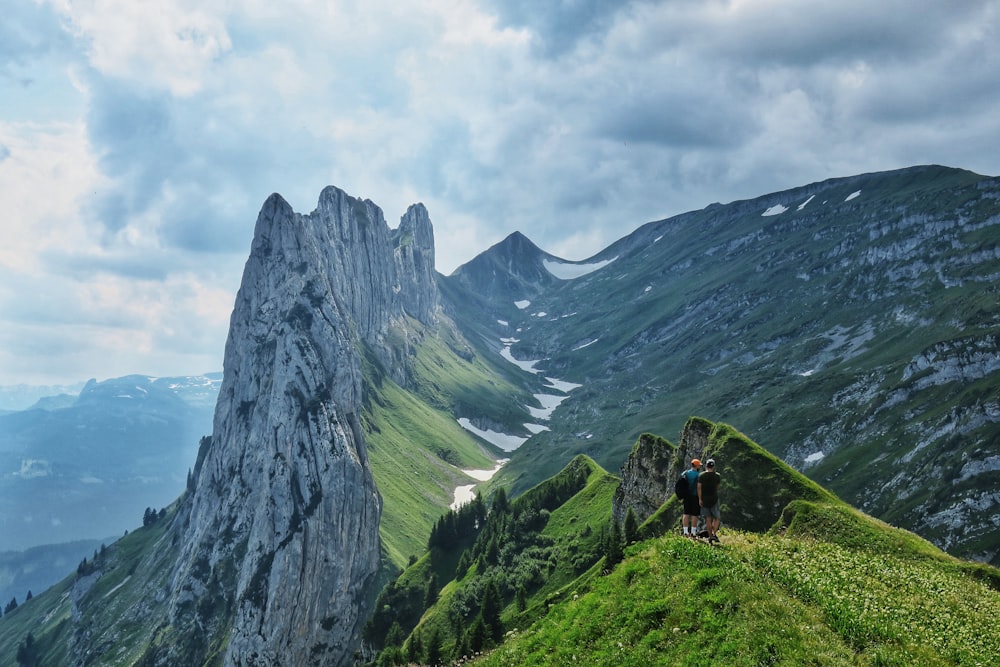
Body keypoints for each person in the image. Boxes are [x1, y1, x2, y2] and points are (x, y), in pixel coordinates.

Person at [698, 459, 722, 543]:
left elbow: (699, 487)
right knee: (717, 518)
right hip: (714, 499)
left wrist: (700, 499)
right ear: (713, 466)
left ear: (706, 466)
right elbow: (717, 487)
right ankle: (714, 534)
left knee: (708, 519)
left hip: (704, 499)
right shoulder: (717, 476)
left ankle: (710, 536)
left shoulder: (701, 476)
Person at [681, 458, 702, 537]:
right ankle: (693, 532)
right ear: (697, 466)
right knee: (695, 514)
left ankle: (685, 532)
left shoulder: (685, 473)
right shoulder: (698, 475)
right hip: (695, 496)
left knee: (686, 513)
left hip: (686, 496)